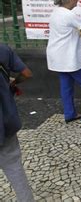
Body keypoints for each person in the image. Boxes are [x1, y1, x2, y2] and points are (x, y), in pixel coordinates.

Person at [46, 0, 81, 126]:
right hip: (69, 57)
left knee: (66, 85)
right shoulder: (69, 15)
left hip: (58, 56)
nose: (77, 0)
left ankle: (70, 113)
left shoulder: (56, 13)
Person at [0, 44, 34, 202]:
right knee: (14, 166)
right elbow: (26, 73)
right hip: (5, 122)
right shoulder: (3, 49)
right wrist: (12, 83)